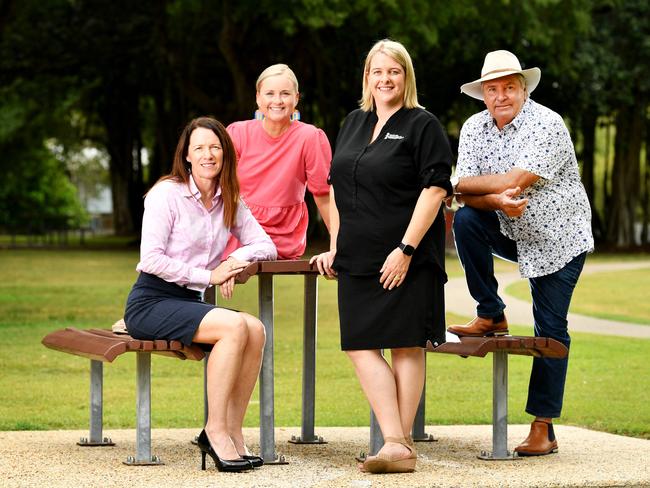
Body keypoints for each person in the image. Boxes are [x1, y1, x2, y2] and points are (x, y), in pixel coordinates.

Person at [311, 39, 453, 473]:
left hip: (406, 255)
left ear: (405, 77)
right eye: (377, 71)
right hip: (357, 255)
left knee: (406, 345)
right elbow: (336, 187)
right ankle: (399, 441)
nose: (385, 79)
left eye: (394, 71)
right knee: (360, 345)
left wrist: (406, 249)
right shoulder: (354, 122)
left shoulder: (422, 124)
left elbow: (435, 190)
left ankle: (397, 442)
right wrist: (336, 244)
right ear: (367, 78)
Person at [448, 50, 594, 456]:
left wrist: (475, 186)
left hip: (557, 238)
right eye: (492, 89)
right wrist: (488, 197)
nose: (501, 96)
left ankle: (543, 427)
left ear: (523, 89)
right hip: (509, 224)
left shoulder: (547, 123)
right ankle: (491, 313)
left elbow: (512, 179)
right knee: (465, 221)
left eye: (509, 87)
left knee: (549, 328)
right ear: (483, 94)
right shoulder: (474, 128)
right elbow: (461, 192)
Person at [123, 117, 277, 472]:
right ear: (187, 156)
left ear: (225, 153)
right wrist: (209, 275)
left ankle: (233, 432)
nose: (208, 154)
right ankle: (215, 430)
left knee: (255, 329)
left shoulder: (229, 199)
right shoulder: (167, 194)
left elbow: (264, 245)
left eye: (215, 147)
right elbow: (151, 259)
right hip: (151, 300)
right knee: (235, 327)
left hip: (190, 302)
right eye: (200, 148)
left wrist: (234, 259)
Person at [224, 63, 332, 260]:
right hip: (241, 230)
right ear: (258, 98)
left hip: (284, 234)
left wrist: (338, 244)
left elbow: (324, 195)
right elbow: (220, 187)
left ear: (296, 98)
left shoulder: (310, 137)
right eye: (270, 93)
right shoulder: (237, 133)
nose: (277, 100)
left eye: (285, 93)